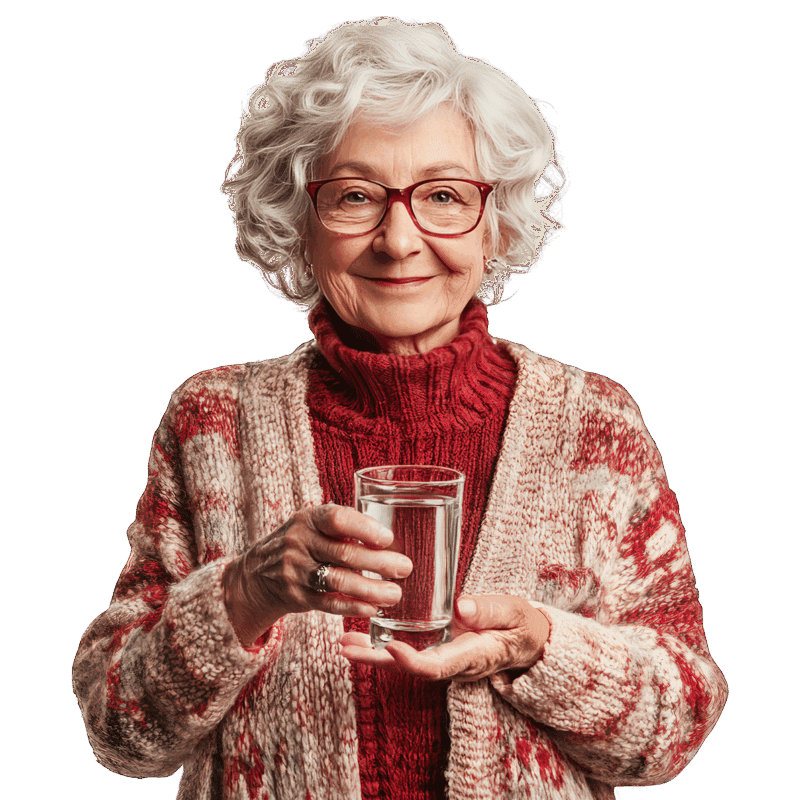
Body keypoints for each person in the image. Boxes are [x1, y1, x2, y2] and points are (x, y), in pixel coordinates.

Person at [72, 17, 728, 800]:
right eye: (354, 196)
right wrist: (246, 591)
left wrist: (542, 648)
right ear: (297, 219)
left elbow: (676, 731)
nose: (398, 238)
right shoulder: (214, 419)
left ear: (495, 221)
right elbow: (121, 735)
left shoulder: (595, 424)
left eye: (444, 196)